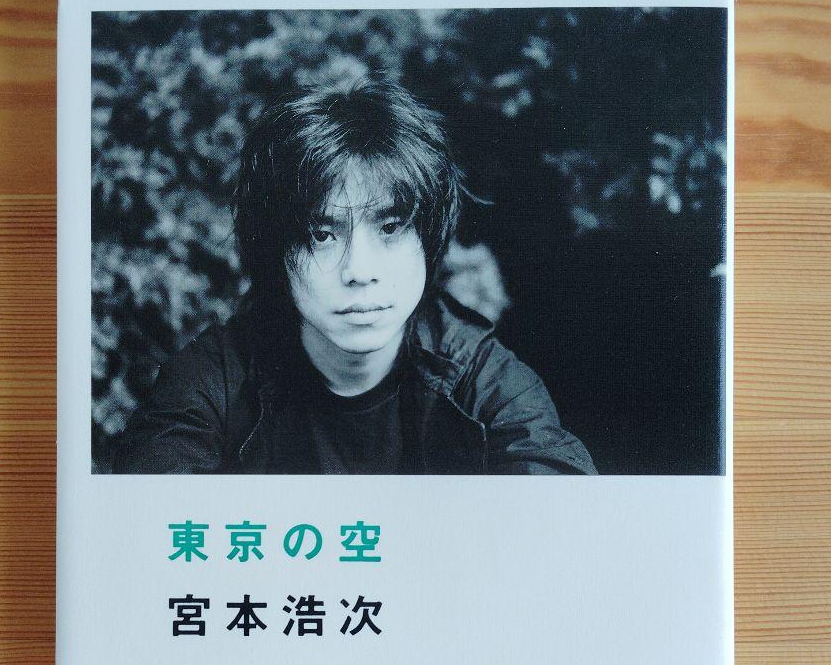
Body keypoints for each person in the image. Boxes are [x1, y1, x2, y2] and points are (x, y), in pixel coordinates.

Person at [113, 77, 596, 475]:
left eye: (390, 228)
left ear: (428, 239)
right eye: (322, 235)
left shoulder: (483, 382)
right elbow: (147, 525)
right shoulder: (212, 380)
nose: (359, 272)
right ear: (277, 250)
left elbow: (561, 512)